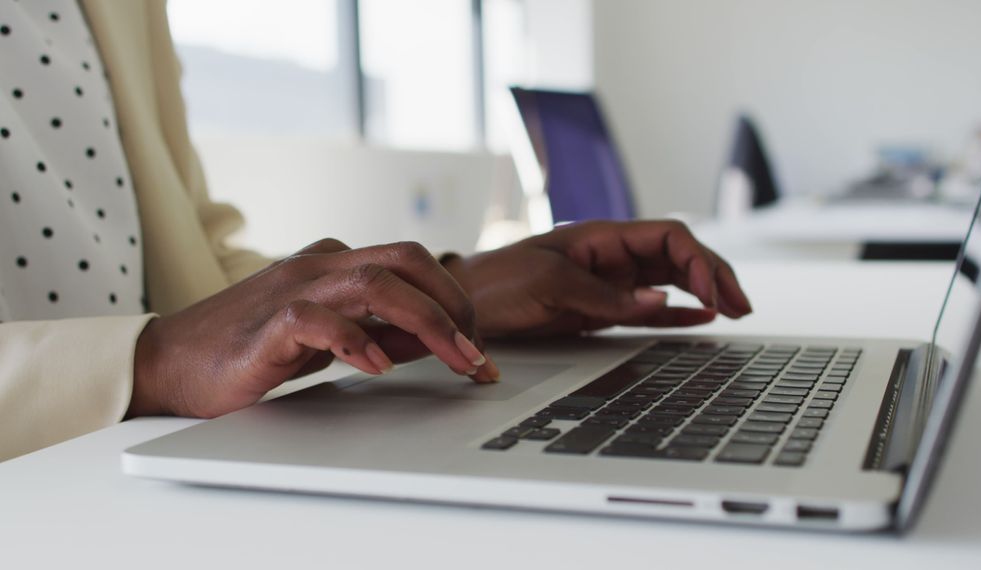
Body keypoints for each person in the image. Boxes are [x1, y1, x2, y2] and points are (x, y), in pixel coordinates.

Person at [0, 0, 752, 462]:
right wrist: (149, 361)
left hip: (134, 463)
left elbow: (192, 247)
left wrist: (448, 291)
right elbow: (177, 342)